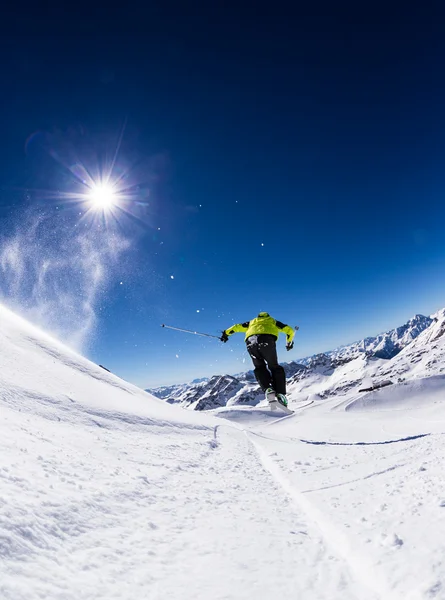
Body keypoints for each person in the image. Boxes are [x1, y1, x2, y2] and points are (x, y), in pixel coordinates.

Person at [220, 312, 295, 407]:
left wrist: (225, 334)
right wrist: (289, 343)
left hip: (251, 343)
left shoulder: (251, 322)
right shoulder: (273, 322)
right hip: (266, 342)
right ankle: (280, 393)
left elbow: (236, 327)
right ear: (268, 317)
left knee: (259, 367)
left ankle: (267, 388)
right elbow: (290, 330)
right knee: (274, 367)